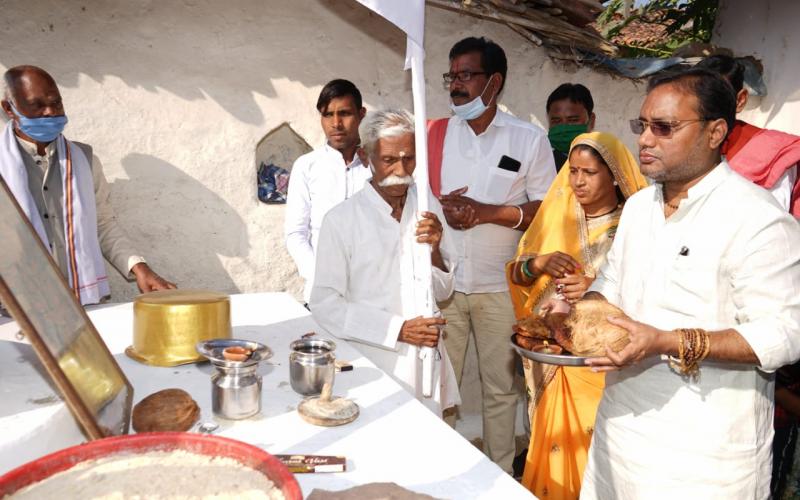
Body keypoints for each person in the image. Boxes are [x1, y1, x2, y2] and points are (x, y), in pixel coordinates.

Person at [579, 68, 800, 498]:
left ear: (716, 131)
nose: (644, 140)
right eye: (641, 126)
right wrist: (577, 314)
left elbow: (786, 333)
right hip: (621, 434)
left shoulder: (757, 218)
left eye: (664, 128)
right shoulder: (641, 206)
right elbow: (611, 280)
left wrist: (666, 341)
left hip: (704, 456)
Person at [426, 36, 556, 473]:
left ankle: (499, 476)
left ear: (494, 82)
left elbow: (545, 211)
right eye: (452, 76)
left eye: (466, 75)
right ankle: (435, 473)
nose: (455, 85)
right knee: (438, 385)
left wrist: (487, 213)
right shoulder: (435, 136)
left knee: (500, 389)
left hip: (500, 287)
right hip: (443, 284)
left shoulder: (528, 140)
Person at [506, 131, 648, 498]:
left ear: (614, 174)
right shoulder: (559, 216)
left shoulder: (637, 227)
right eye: (573, 171)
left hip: (605, 366)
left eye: (590, 172)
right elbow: (516, 275)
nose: (578, 181)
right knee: (556, 450)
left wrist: (595, 288)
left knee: (599, 460)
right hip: (554, 365)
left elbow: (650, 293)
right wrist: (538, 263)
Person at [310, 109, 460, 414]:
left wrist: (434, 248)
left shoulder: (428, 208)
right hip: (374, 360)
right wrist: (398, 329)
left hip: (426, 361)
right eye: (389, 160)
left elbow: (444, 293)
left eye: (409, 159)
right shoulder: (341, 221)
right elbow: (325, 305)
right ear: (366, 158)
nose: (401, 169)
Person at [0, 65, 174, 305]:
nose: (50, 112)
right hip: (14, 308)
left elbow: (102, 224)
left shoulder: (83, 160)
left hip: (78, 302)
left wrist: (139, 268)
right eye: (37, 105)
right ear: (9, 108)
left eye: (56, 103)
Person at [284, 79, 371, 304]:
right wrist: (320, 275)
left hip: (374, 290)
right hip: (322, 293)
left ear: (361, 114)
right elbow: (296, 233)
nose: (336, 123)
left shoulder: (378, 165)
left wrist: (376, 163)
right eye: (327, 115)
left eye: (344, 113)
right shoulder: (307, 166)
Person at [697, 54, 800, 216]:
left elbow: (770, 223)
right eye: (699, 100)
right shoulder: (678, 146)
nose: (707, 108)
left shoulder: (773, 154)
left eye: (718, 98)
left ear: (740, 100)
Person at [546, 83, 596, 172]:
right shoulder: (539, 162)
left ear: (591, 121)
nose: (564, 128)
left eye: (573, 120)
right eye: (556, 121)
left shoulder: (605, 164)